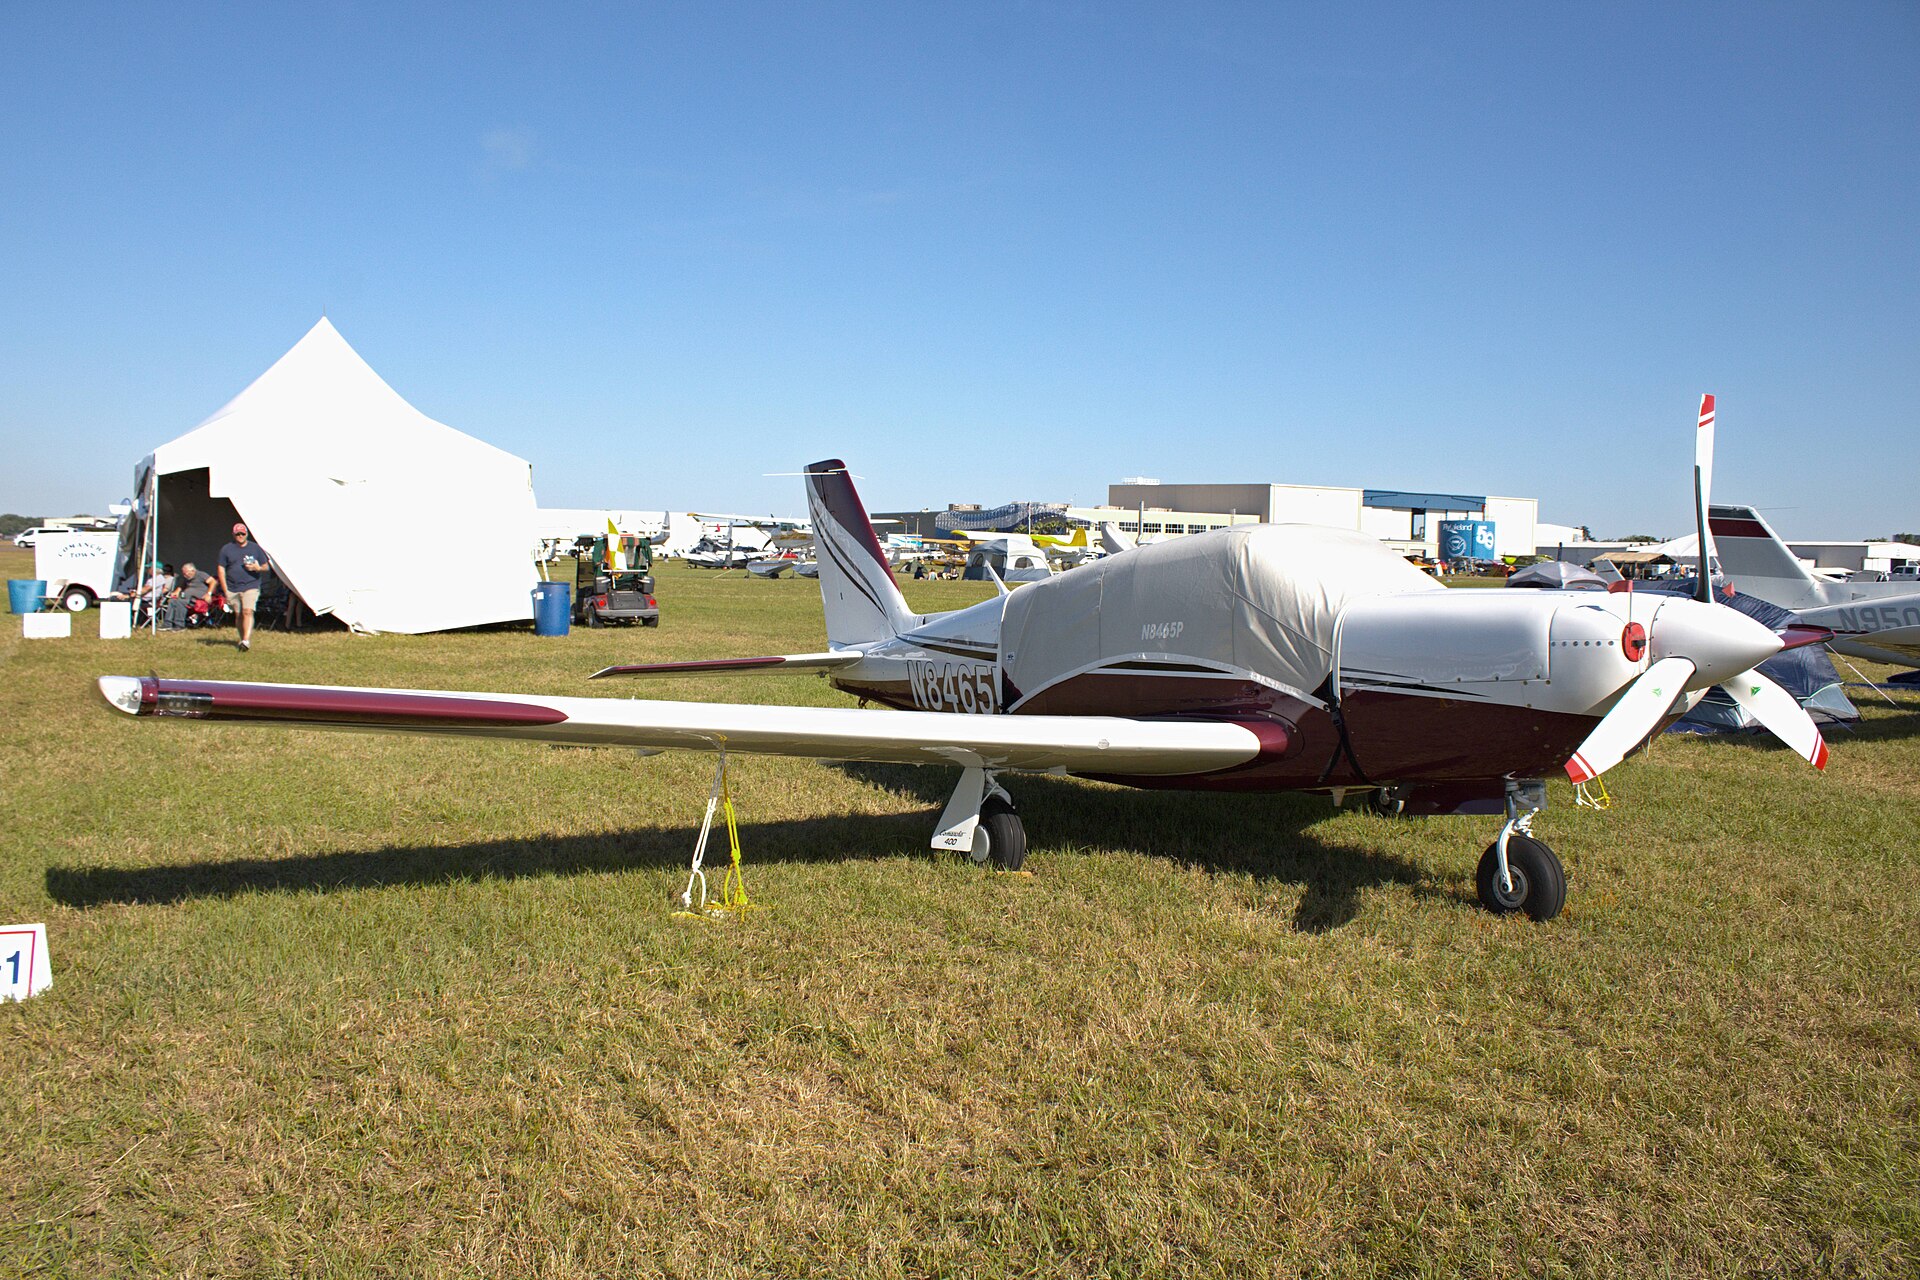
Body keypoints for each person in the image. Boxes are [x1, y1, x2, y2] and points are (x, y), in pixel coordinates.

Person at [217, 523, 272, 651]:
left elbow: (266, 566)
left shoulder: (255, 548)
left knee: (248, 611)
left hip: (251, 585)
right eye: (238, 534)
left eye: (243, 533)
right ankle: (242, 638)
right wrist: (225, 590)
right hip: (233, 587)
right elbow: (221, 569)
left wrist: (257, 568)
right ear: (233, 534)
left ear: (247, 534)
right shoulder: (226, 549)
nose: (240, 536)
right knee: (239, 614)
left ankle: (246, 640)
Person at [162, 562, 214, 630]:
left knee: (180, 602)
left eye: (186, 573)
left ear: (193, 570)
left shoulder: (201, 574)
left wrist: (209, 594)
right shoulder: (187, 577)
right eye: (183, 573)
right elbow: (182, 585)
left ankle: (179, 625)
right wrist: (177, 591)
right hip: (186, 597)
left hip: (198, 599)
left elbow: (213, 582)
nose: (185, 575)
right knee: (172, 601)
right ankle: (167, 624)